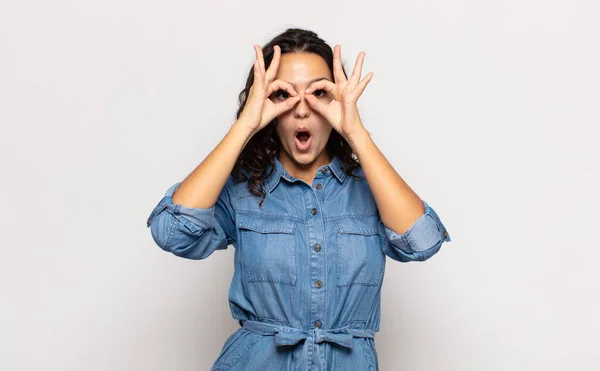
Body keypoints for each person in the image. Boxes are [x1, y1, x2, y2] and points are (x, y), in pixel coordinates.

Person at [146, 28, 451, 371]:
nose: (303, 110)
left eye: (319, 93)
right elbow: (171, 232)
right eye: (284, 95)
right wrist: (245, 125)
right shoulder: (242, 191)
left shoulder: (371, 190)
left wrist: (357, 133)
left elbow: (422, 242)